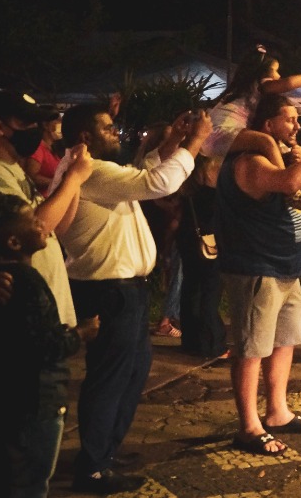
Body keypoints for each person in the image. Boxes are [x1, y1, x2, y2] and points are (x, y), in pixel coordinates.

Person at [56, 104, 209, 494]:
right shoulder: (89, 169)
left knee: (131, 373)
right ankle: (92, 466)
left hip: (123, 290)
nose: (117, 133)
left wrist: (171, 143)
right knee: (110, 378)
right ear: (85, 136)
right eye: (108, 128)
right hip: (111, 290)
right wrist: (193, 143)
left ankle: (102, 453)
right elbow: (156, 184)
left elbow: (142, 176)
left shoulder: (92, 170)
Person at [216, 94, 301, 455]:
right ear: (268, 124)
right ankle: (248, 425)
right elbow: (289, 184)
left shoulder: (273, 157)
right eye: (289, 119)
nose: (297, 125)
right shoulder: (249, 161)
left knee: (283, 341)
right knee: (251, 347)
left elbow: (295, 185)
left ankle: (277, 411)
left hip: (286, 266)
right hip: (257, 265)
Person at [0, 195, 99, 498]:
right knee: (28, 487)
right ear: (14, 242)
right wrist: (81, 333)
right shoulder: (25, 281)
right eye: (32, 220)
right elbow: (46, 347)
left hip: (8, 400)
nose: (41, 222)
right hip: (35, 404)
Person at [0, 90, 92, 333]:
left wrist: (75, 180)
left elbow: (57, 229)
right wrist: (73, 177)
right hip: (21, 315)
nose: (34, 130)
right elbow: (35, 228)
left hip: (43, 306)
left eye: (36, 123)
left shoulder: (13, 170)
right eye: (25, 123)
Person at [201, 45, 301, 170]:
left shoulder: (243, 92)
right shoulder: (257, 86)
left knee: (274, 146)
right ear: (262, 73)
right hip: (220, 133)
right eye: (276, 71)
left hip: (211, 136)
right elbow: (288, 83)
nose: (278, 76)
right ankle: (285, 180)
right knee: (266, 142)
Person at [132, 122, 183, 339]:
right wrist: (173, 209)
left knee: (174, 269)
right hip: (161, 221)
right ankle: (165, 319)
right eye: (170, 139)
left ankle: (170, 316)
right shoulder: (151, 162)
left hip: (169, 219)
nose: (176, 143)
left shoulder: (166, 162)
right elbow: (154, 194)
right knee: (175, 268)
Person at [176, 154, 228, 359]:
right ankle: (213, 344)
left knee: (190, 289)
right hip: (209, 242)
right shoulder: (213, 195)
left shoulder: (188, 191)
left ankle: (190, 340)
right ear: (209, 171)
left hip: (187, 240)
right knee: (210, 291)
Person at [24, 110, 62, 198]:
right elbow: (32, 176)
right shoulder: (38, 148)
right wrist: (57, 182)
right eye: (58, 121)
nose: (61, 125)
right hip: (42, 199)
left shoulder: (52, 148)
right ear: (45, 125)